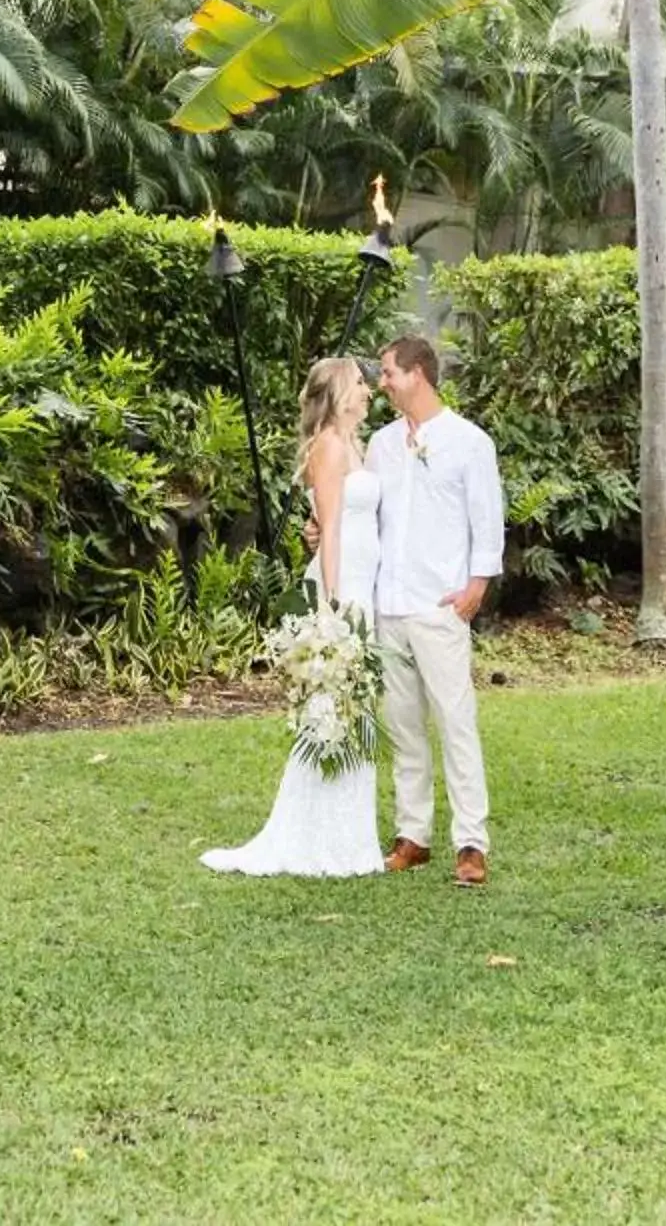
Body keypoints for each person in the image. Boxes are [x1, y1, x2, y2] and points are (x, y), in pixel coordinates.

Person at [200, 355, 384, 877]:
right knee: (330, 712)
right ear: (339, 393)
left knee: (355, 714)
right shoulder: (328, 445)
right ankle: (316, 836)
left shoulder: (355, 444)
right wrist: (329, 606)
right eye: (359, 383)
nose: (368, 390)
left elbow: (331, 516)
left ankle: (350, 837)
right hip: (341, 589)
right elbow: (329, 531)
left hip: (363, 587)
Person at [368, 332, 505, 889]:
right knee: (403, 727)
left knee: (455, 723)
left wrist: (477, 584)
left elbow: (487, 518)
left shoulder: (471, 442)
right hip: (388, 605)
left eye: (388, 374)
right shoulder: (380, 444)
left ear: (417, 374)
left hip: (439, 604)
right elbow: (366, 515)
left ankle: (471, 843)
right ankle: (413, 836)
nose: (382, 383)